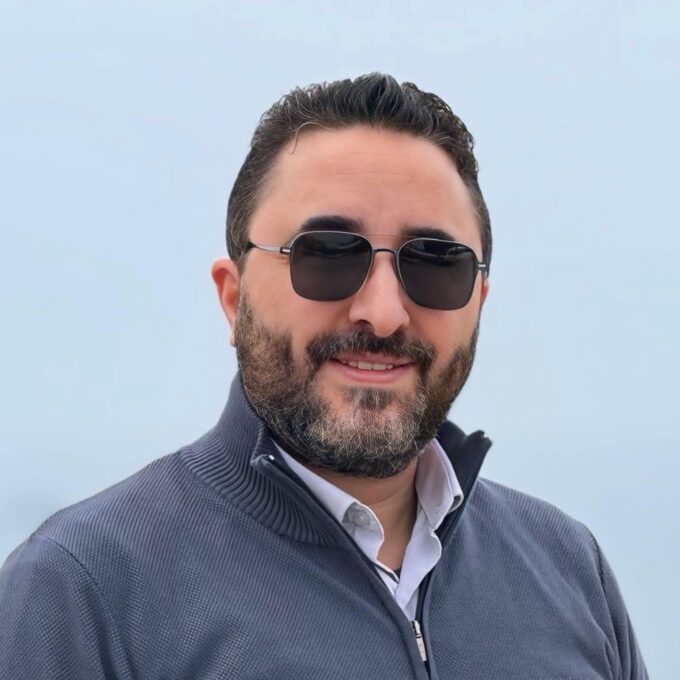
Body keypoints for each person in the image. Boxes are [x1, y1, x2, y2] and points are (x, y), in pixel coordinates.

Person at [0, 74, 647, 680]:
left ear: (478, 300)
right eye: (329, 255)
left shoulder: (569, 571)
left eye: (435, 263)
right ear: (234, 298)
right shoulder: (83, 592)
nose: (384, 313)